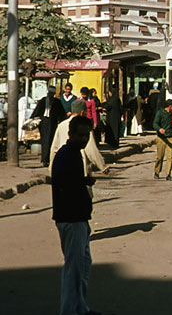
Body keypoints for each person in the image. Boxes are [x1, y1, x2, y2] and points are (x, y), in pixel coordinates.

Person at [51, 115, 101, 315]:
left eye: (86, 136)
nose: (84, 140)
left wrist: (83, 182)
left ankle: (80, 307)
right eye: (80, 135)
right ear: (70, 134)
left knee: (83, 265)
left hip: (78, 217)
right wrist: (81, 184)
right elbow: (65, 185)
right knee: (74, 269)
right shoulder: (66, 155)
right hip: (71, 218)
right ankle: (70, 310)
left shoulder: (73, 154)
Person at [50, 100, 108, 178]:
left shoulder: (61, 125)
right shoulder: (85, 127)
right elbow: (91, 150)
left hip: (62, 166)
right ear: (82, 112)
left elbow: (54, 148)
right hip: (80, 167)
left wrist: (52, 168)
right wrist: (103, 167)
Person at [31, 85, 67, 167]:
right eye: (49, 93)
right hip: (44, 123)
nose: (50, 95)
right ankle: (44, 159)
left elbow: (61, 114)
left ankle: (49, 159)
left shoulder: (57, 102)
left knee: (51, 140)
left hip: (53, 123)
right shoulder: (43, 101)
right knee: (45, 141)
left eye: (52, 94)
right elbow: (37, 111)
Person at [153, 99, 172, 181]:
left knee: (170, 156)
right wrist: (159, 129)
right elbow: (155, 123)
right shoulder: (160, 113)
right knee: (160, 156)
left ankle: (168, 174)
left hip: (169, 137)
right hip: (161, 138)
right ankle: (157, 171)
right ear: (170, 106)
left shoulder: (171, 113)